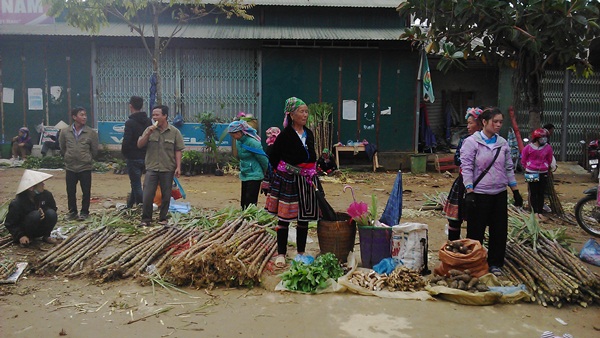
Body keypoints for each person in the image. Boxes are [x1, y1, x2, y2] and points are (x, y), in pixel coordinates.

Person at [460, 107, 523, 277]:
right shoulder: (471, 142)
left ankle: (495, 263)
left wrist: (515, 190)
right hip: (479, 194)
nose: (498, 125)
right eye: (495, 121)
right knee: (475, 231)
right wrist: (469, 190)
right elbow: (466, 168)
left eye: (501, 122)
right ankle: (474, 263)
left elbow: (508, 168)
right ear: (484, 122)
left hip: (499, 193)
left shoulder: (502, 143)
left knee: (499, 231)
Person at [266, 97, 319, 268]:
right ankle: (281, 253)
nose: (305, 115)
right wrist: (280, 175)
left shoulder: (309, 134)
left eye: (306, 111)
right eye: (302, 112)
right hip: (288, 180)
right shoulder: (285, 136)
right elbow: (273, 158)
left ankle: (301, 252)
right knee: (284, 218)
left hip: (307, 180)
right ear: (291, 114)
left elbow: (312, 155)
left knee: (303, 219)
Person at [137, 105, 184, 227]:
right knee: (147, 194)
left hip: (167, 168)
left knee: (166, 195)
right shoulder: (149, 130)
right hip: (152, 167)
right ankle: (146, 219)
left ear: (165, 116)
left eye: (157, 115)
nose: (154, 117)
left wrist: (178, 167)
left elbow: (178, 150)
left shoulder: (174, 132)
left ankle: (163, 217)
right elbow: (139, 145)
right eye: (153, 115)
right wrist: (148, 134)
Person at [443, 107, 483, 240]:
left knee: (475, 219)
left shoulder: (488, 142)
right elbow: (457, 159)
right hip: (463, 181)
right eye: (468, 123)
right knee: (455, 218)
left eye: (471, 123)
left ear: (480, 124)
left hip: (481, 184)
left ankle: (473, 249)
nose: (468, 126)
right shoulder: (465, 140)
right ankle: (453, 245)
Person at [59, 107, 99, 221]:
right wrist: (68, 156)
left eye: (85, 115)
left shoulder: (91, 133)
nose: (84, 117)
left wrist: (87, 158)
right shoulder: (65, 132)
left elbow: (95, 150)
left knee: (86, 191)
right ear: (74, 117)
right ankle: (72, 212)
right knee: (71, 191)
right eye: (81, 115)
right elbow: (62, 148)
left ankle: (84, 212)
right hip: (70, 167)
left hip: (85, 167)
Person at [4, 169, 58, 246]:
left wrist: (44, 210)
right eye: (40, 183)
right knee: (35, 215)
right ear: (31, 188)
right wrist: (20, 235)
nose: (43, 184)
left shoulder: (46, 195)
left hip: (40, 227)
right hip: (25, 229)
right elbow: (10, 223)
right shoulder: (17, 202)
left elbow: (54, 208)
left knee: (51, 213)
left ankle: (46, 235)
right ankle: (27, 238)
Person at [228, 120, 269, 209]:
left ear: (241, 132)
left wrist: (267, 173)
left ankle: (250, 217)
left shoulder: (253, 143)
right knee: (244, 201)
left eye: (234, 134)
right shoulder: (238, 141)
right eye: (231, 134)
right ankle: (244, 217)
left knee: (250, 201)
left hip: (255, 174)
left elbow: (263, 159)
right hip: (245, 173)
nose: (233, 136)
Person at [121, 96, 152, 209]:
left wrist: (125, 153)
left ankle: (142, 205)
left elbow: (127, 141)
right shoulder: (148, 121)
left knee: (136, 184)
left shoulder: (130, 122)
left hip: (133, 157)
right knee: (135, 183)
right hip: (145, 156)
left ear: (130, 106)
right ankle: (129, 205)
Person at [521, 128, 556, 222]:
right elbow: (523, 160)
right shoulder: (528, 148)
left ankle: (540, 212)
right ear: (536, 138)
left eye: (545, 137)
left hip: (543, 173)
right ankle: (535, 213)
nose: (544, 139)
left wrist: (545, 167)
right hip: (530, 172)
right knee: (533, 192)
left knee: (541, 193)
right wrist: (528, 167)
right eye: (542, 137)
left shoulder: (548, 147)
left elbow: (549, 159)